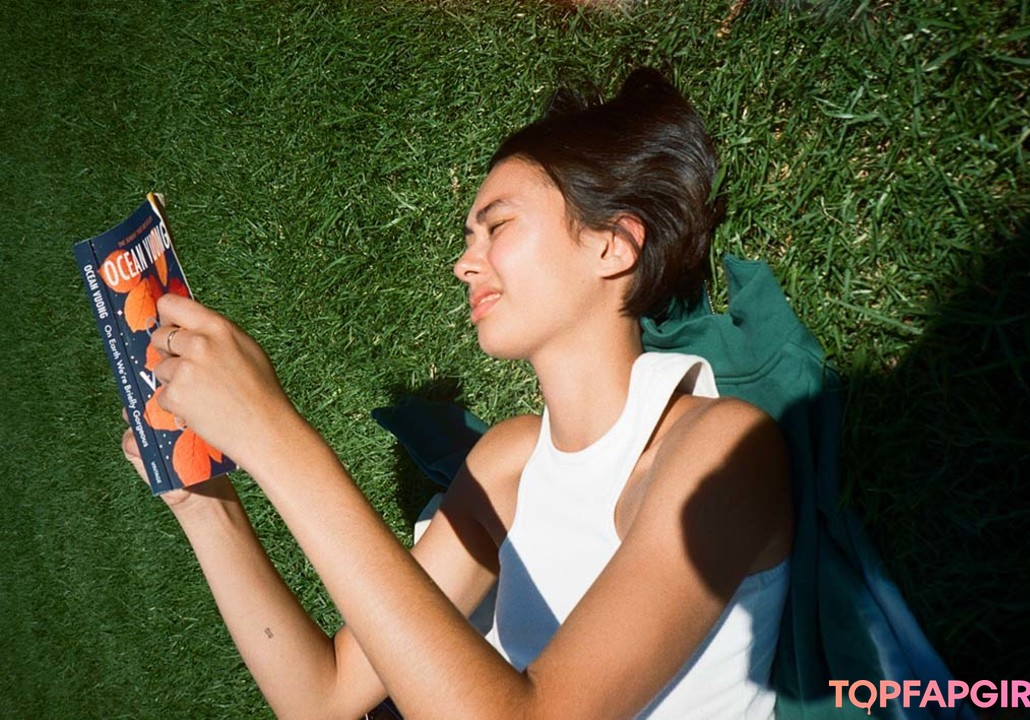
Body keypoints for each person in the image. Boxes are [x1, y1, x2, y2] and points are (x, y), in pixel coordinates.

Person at [122, 68, 793, 719]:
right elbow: (323, 697)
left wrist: (271, 434)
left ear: (612, 245)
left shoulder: (718, 452)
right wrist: (203, 505)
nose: (463, 264)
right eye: (469, 239)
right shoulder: (509, 464)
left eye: (497, 227)